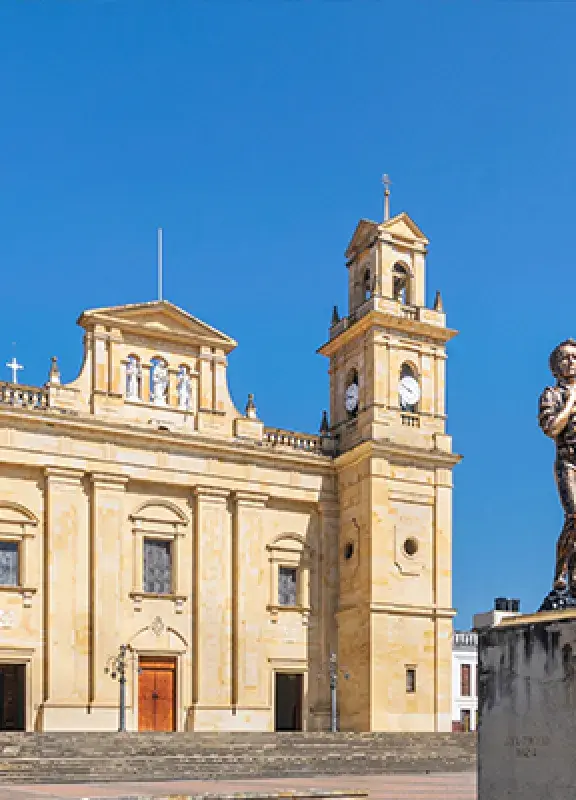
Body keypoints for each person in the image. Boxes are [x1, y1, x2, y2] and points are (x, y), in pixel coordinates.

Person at [539, 339, 576, 587]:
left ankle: (574, 575)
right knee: (575, 516)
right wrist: (572, 402)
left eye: (575, 357)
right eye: (565, 357)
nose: (571, 362)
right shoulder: (552, 395)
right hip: (568, 462)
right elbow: (551, 428)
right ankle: (560, 573)